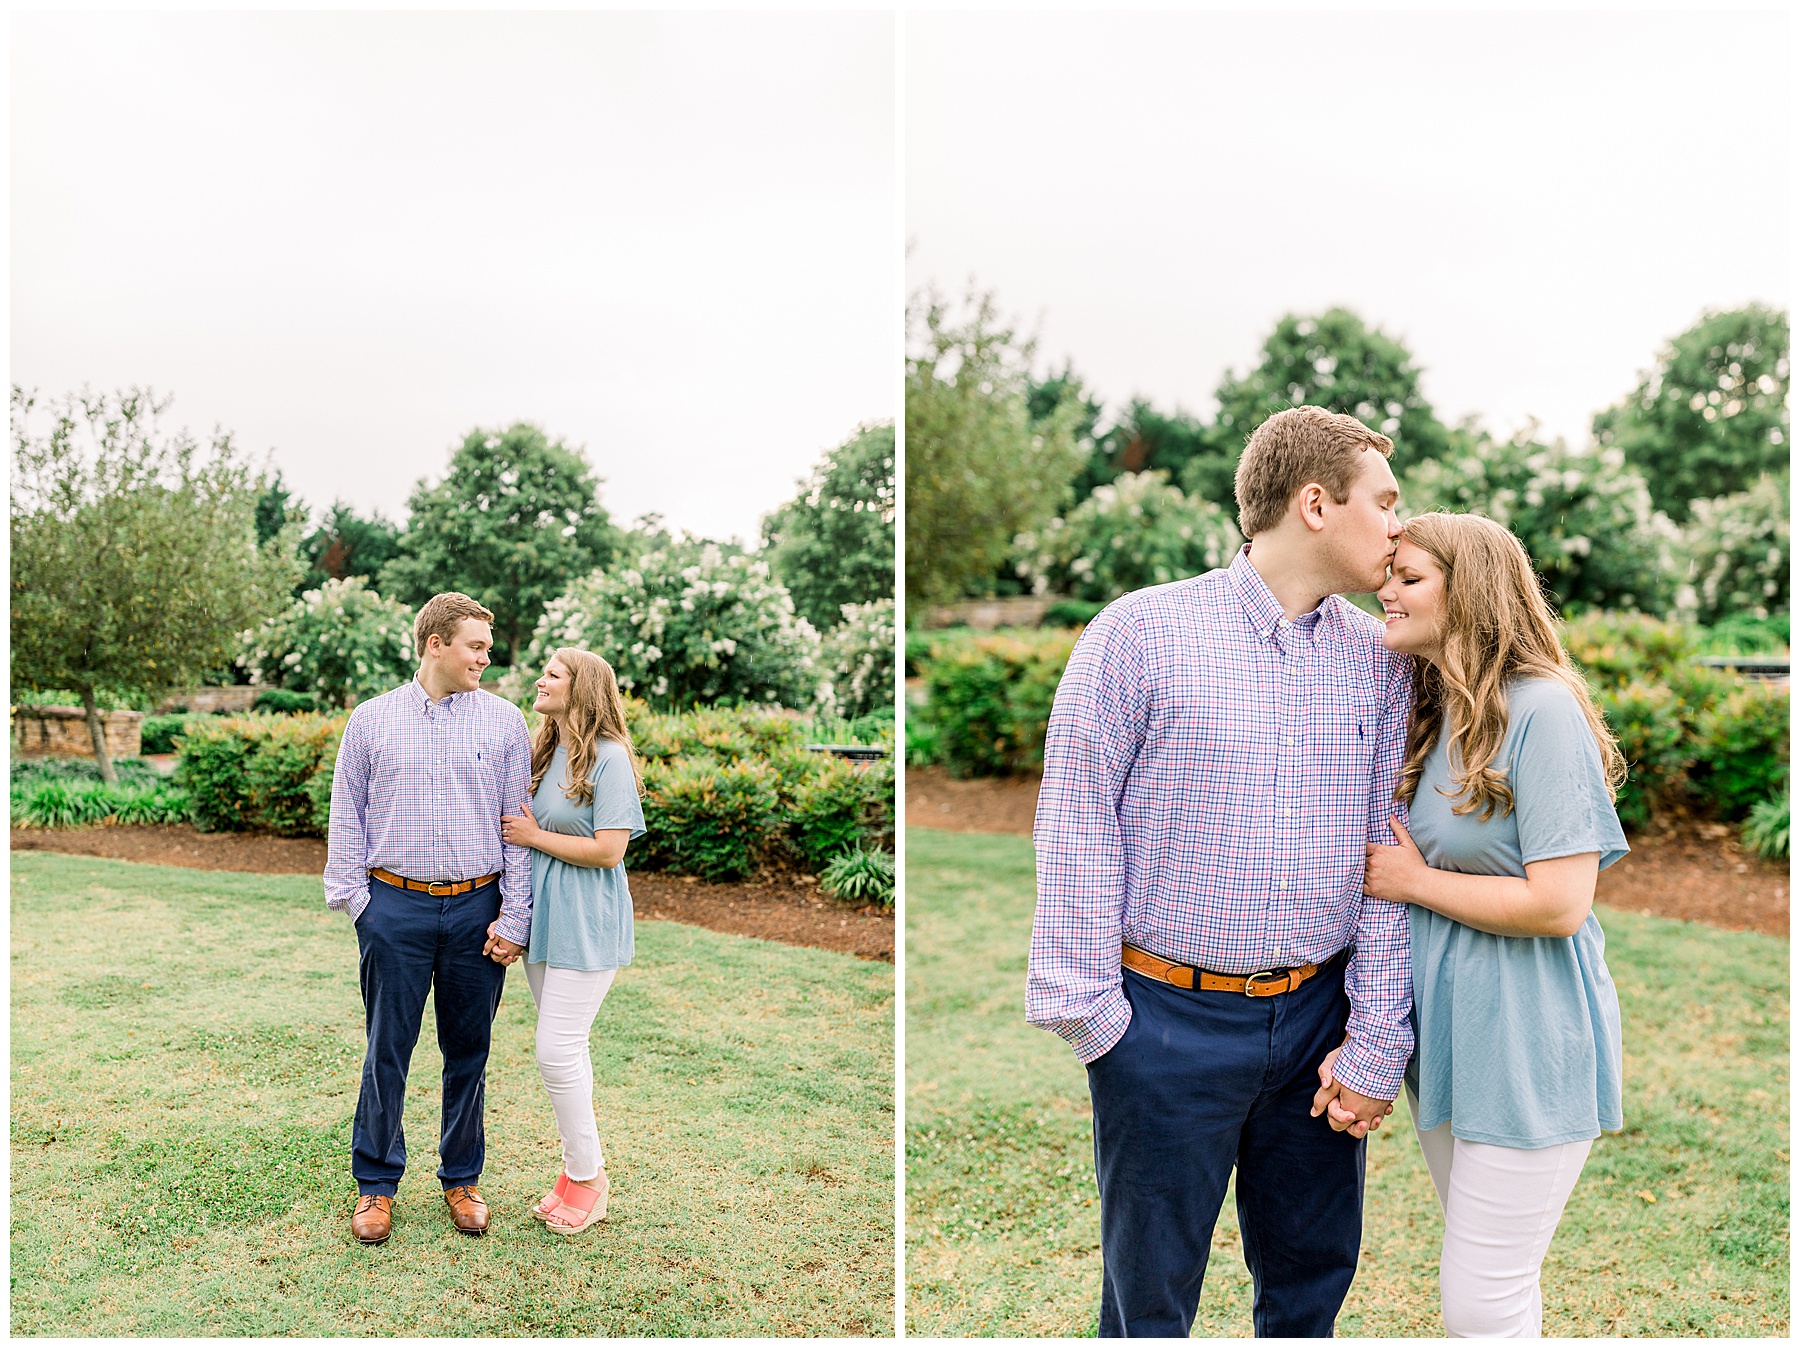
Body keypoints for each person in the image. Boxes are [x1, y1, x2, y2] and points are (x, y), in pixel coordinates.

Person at [1027, 405, 1416, 1338]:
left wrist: (1374, 1040)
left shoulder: (1383, 663)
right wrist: (1099, 1024)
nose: (1401, 525)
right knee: (1148, 1303)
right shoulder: (1137, 635)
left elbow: (1388, 856)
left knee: (1309, 1288)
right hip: (1162, 1027)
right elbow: (1075, 825)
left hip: (1320, 1029)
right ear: (1315, 504)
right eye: (1387, 501)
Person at [1319, 511, 1627, 1337]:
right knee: (1495, 1286)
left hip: (1526, 1044)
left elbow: (1562, 904)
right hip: (1457, 1043)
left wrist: (1416, 882)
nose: (1384, 591)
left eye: (1409, 578)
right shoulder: (1445, 708)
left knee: (1480, 1300)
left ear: (1475, 595)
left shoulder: (1542, 711)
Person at [323, 592, 534, 1245]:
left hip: (478, 908)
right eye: (475, 645)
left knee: (468, 1048)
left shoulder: (505, 722)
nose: (485, 657)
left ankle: (462, 1177)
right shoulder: (370, 720)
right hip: (393, 906)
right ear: (435, 643)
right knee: (388, 1048)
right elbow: (346, 816)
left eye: (487, 648)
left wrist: (515, 915)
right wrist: (362, 906)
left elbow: (517, 827)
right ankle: (375, 1186)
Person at [494, 647, 646, 1236]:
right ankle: (573, 1173)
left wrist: (534, 835)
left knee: (556, 1050)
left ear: (582, 688)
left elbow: (609, 850)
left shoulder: (609, 759)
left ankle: (588, 1178)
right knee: (567, 1050)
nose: (540, 679)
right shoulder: (545, 750)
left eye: (553, 674)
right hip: (545, 920)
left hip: (588, 920)